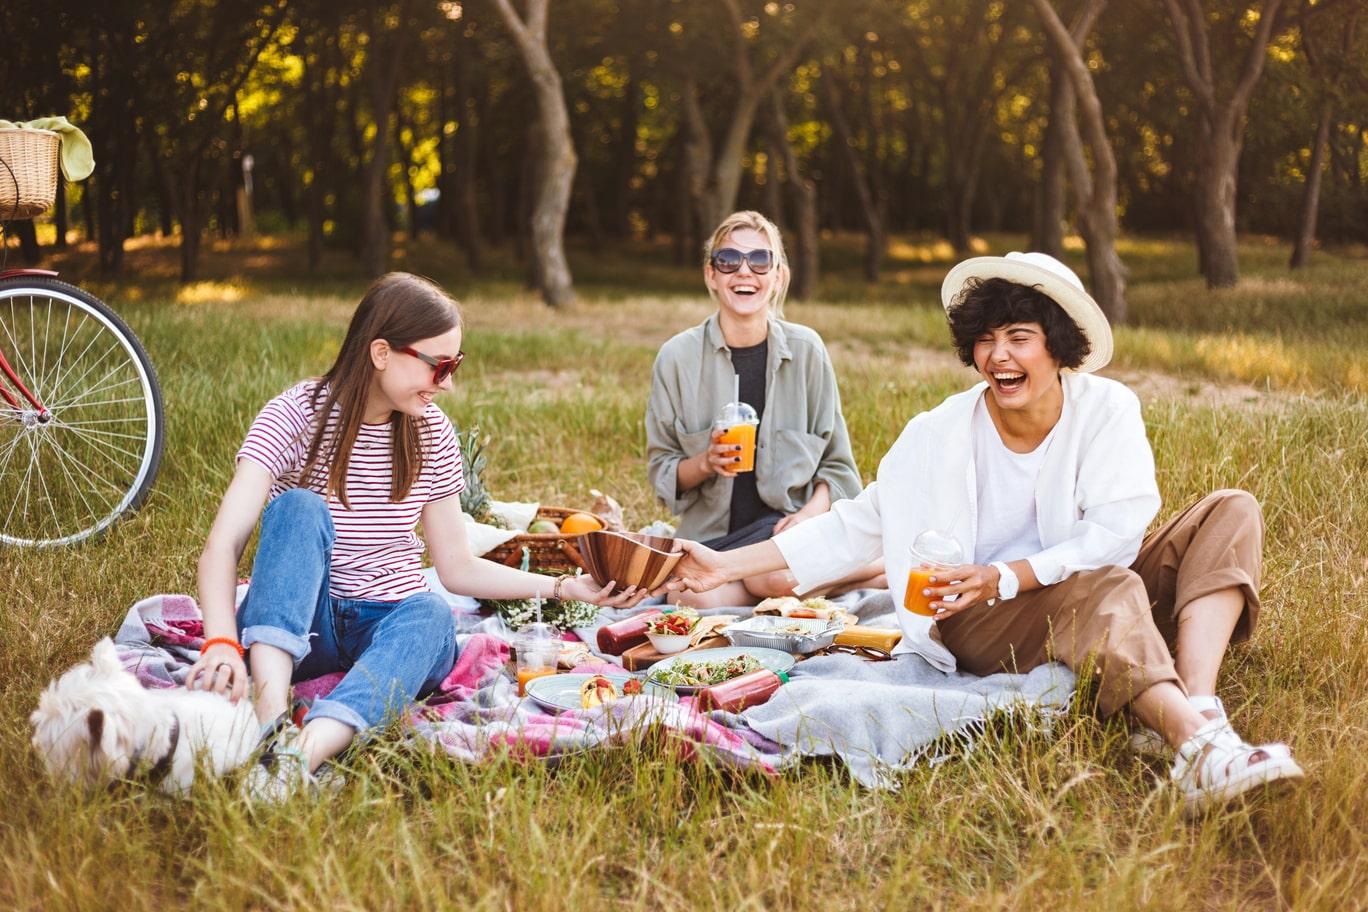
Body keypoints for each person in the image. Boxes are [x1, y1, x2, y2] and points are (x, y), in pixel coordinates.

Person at [662, 252, 1304, 815]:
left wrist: (1010, 573)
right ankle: (1198, 746)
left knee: (1232, 509)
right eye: (986, 338)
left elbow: (1117, 532)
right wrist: (725, 568)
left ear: (1058, 346)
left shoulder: (1107, 410)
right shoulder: (937, 433)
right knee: (1100, 586)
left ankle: (1201, 712)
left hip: (1074, 588)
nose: (1000, 355)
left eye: (1020, 336)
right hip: (975, 617)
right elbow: (856, 527)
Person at [185, 272, 640, 800]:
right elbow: (223, 544)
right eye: (439, 366)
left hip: (389, 624)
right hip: (301, 625)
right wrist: (219, 640)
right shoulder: (295, 415)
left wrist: (564, 589)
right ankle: (269, 723)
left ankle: (299, 756)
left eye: (456, 365)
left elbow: (457, 568)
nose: (448, 383)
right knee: (297, 508)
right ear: (381, 352)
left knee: (431, 614)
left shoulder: (431, 432)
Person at [645, 210, 883, 607]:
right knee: (694, 601)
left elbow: (838, 467)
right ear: (711, 275)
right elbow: (662, 473)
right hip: (715, 540)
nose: (744, 272)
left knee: (774, 573)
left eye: (760, 260)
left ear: (779, 277)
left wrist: (807, 518)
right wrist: (706, 462)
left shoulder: (807, 351)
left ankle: (856, 571)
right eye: (728, 260)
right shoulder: (676, 358)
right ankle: (872, 574)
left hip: (787, 531)